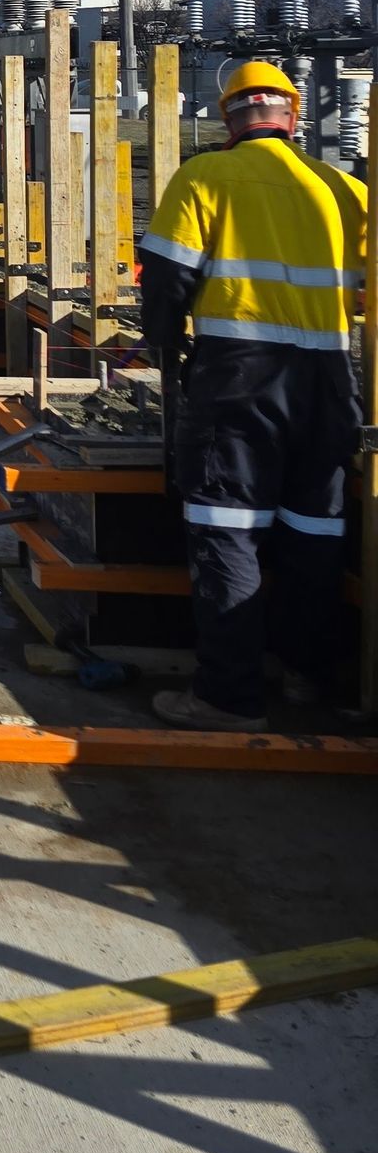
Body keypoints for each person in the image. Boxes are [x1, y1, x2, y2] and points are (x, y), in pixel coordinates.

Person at [138, 58, 367, 731]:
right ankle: (307, 675)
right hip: (330, 381)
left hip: (240, 378)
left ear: (229, 120)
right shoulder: (344, 189)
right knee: (314, 528)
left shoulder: (207, 176)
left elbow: (166, 276)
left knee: (227, 527)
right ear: (293, 118)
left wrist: (162, 344)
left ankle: (228, 697)